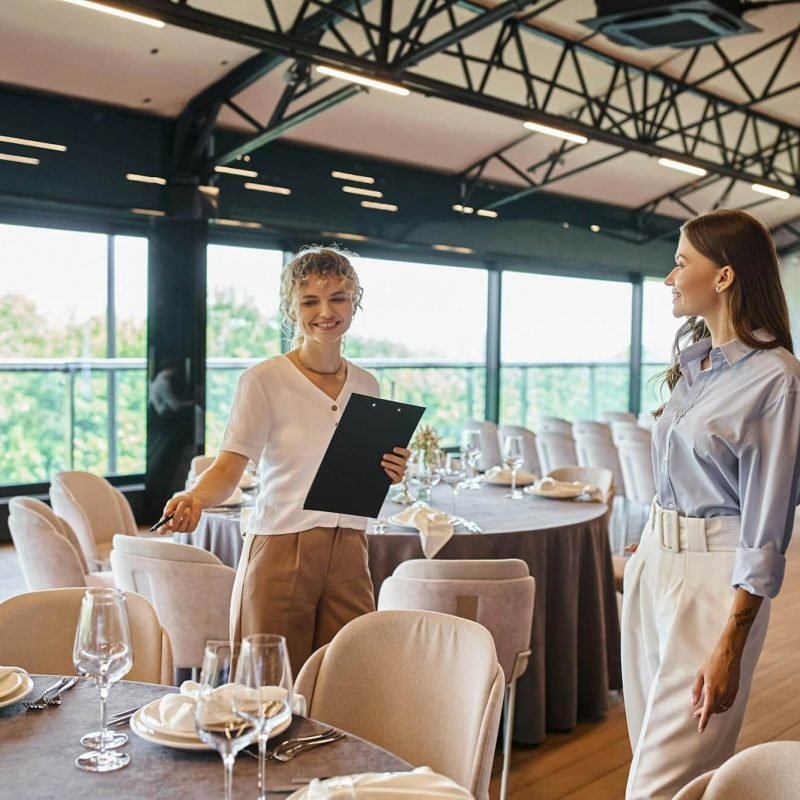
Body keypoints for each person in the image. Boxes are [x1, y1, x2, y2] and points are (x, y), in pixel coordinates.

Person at [160, 245, 410, 672]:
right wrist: (196, 497)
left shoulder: (367, 384)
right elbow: (227, 467)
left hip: (351, 547)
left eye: (337, 298)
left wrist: (392, 470)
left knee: (344, 676)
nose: (325, 311)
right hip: (282, 544)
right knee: (269, 685)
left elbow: (359, 470)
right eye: (309, 301)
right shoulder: (263, 379)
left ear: (355, 303)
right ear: (291, 310)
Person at [621, 208, 800, 799]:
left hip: (714, 585)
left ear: (723, 277)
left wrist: (733, 640)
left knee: (660, 787)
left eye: (680, 263)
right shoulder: (696, 367)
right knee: (648, 757)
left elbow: (766, 526)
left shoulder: (777, 378)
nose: (669, 277)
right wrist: (654, 537)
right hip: (654, 565)